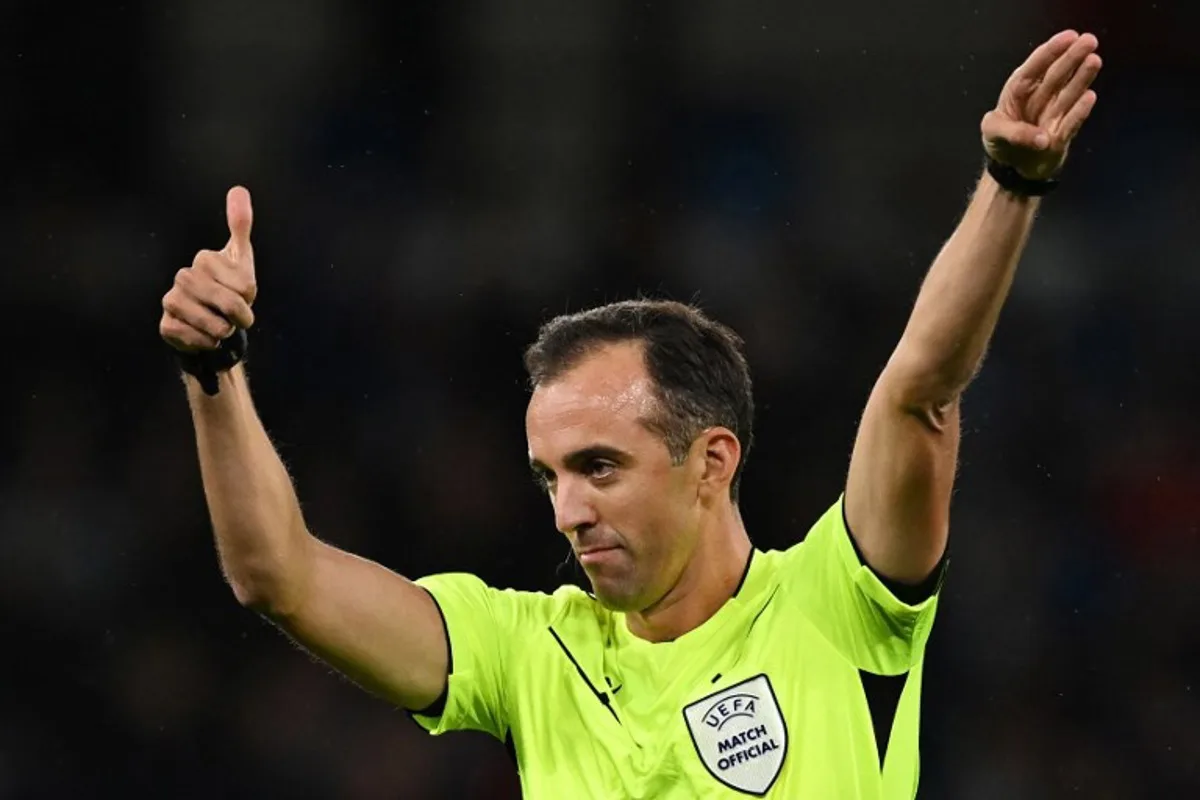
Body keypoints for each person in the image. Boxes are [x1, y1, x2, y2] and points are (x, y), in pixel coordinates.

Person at [159, 29, 1101, 799]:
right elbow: (276, 576)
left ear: (713, 459)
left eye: (599, 467)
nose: (567, 511)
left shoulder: (839, 608)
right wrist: (215, 372)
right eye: (550, 476)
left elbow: (919, 392)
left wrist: (1011, 186)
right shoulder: (528, 651)